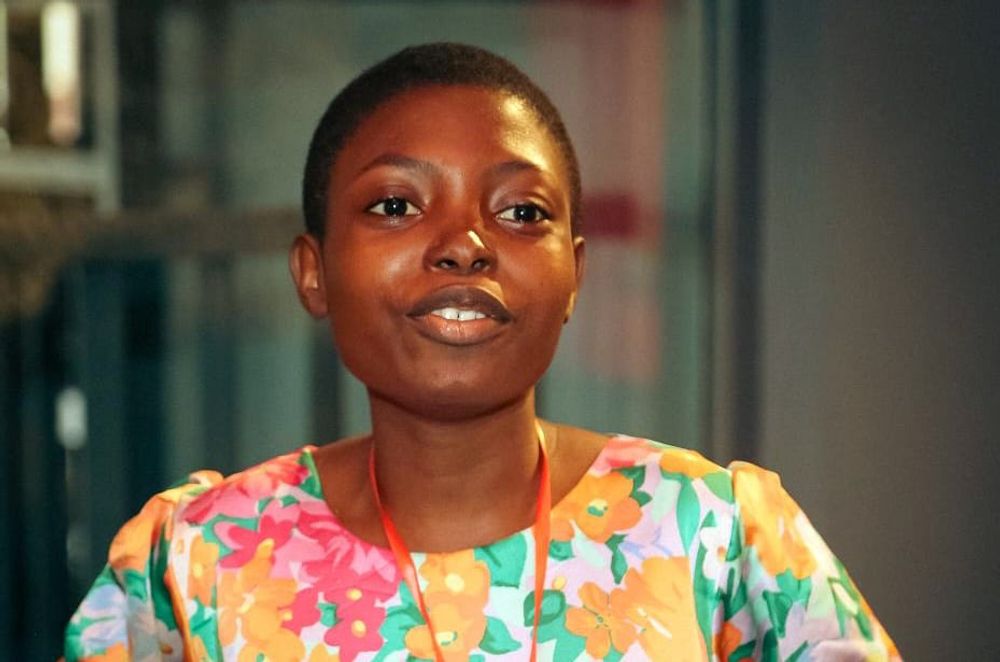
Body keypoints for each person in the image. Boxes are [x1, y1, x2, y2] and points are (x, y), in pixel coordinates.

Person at [64, 43, 900, 661]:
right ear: (313, 273)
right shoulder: (193, 565)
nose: (463, 245)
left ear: (574, 274)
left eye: (521, 212)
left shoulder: (718, 540)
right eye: (395, 205)